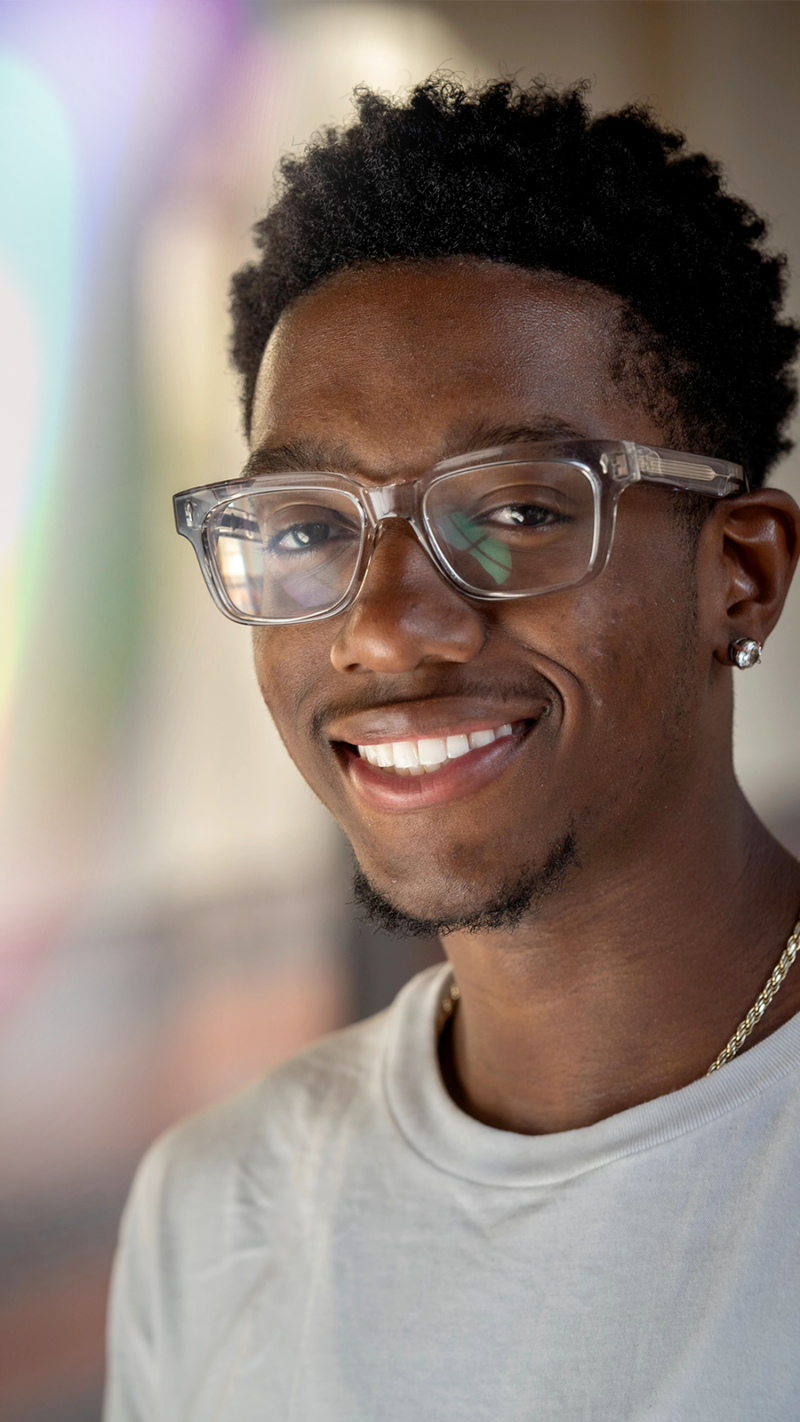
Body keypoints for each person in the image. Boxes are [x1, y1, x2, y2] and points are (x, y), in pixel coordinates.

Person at [105, 77, 800, 1420]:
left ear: (742, 575)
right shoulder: (216, 1208)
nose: (383, 627)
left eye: (523, 508)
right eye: (306, 527)